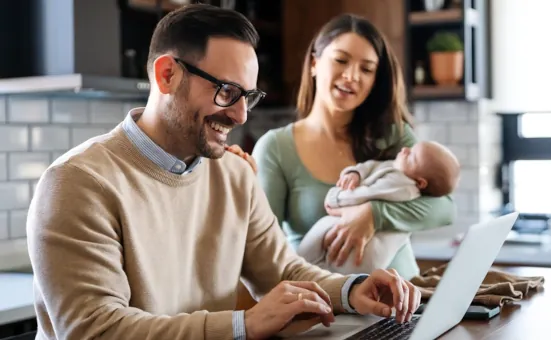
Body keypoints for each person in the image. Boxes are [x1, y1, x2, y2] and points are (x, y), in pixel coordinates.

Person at [26, 5, 420, 340]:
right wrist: (243, 325)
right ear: (167, 75)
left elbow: (281, 269)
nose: (241, 114)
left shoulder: (233, 174)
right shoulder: (77, 183)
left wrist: (353, 290)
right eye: (227, 92)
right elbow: (96, 329)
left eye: (247, 96)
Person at [249, 13, 456, 281]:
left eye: (367, 69)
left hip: (407, 302)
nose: (351, 76)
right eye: (341, 60)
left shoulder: (393, 136)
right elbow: (262, 248)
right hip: (326, 307)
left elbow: (445, 208)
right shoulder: (275, 148)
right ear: (314, 63)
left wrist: (374, 215)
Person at [295, 141, 461, 274]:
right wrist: (355, 173)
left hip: (368, 264)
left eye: (412, 156)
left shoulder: (402, 185)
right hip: (357, 266)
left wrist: (337, 198)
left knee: (312, 263)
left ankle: (298, 271)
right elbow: (372, 167)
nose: (404, 149)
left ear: (420, 182)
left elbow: (365, 194)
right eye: (410, 148)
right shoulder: (398, 166)